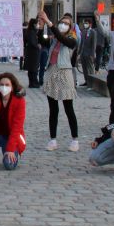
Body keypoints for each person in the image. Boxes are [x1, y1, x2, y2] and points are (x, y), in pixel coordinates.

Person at [38, 10, 80, 151]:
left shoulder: (72, 39)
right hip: (52, 71)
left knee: (69, 108)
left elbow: (64, 40)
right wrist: (41, 26)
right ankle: (53, 139)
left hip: (64, 73)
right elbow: (42, 41)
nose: (63, 25)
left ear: (70, 27)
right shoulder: (55, 39)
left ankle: (75, 139)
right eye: (62, 22)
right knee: (53, 109)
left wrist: (49, 22)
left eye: (66, 24)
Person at [23, 19, 41, 88]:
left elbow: (25, 42)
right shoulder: (32, 32)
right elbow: (32, 42)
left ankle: (32, 83)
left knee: (31, 69)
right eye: (37, 24)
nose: (38, 25)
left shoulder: (29, 31)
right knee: (34, 69)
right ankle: (34, 83)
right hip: (33, 53)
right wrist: (37, 46)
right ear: (34, 24)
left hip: (30, 52)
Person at [79, 18, 97, 87]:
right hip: (83, 53)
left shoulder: (93, 32)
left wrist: (92, 54)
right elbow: (81, 43)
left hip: (89, 54)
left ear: (90, 24)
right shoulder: (83, 31)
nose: (85, 24)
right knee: (84, 68)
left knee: (90, 69)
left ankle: (92, 83)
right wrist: (79, 53)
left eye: (86, 23)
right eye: (84, 23)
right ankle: (86, 81)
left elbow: (94, 44)